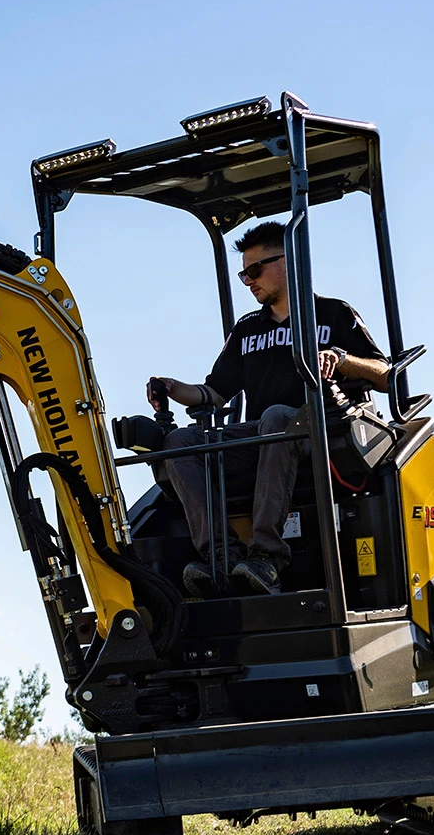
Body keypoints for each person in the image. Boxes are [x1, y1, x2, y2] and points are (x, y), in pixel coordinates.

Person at [147, 220, 390, 596]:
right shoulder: (247, 330)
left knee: (278, 416)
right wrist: (173, 388)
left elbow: (386, 375)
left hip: (323, 433)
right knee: (180, 441)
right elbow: (214, 393)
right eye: (244, 274)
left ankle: (266, 557)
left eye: (255, 270)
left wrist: (342, 360)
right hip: (263, 436)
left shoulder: (332, 314)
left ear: (288, 261)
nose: (249, 281)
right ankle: (220, 557)